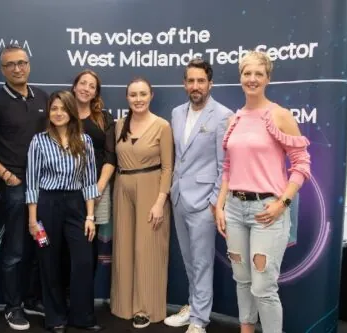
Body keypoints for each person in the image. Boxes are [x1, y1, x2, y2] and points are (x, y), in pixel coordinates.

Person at [214, 51, 312, 333]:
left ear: (268, 78)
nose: (252, 79)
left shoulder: (279, 115)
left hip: (267, 212)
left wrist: (284, 202)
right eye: (247, 73)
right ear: (240, 78)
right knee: (242, 280)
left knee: (263, 287)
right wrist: (220, 205)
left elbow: (302, 163)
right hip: (233, 210)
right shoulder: (236, 119)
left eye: (258, 74)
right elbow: (228, 167)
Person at [164, 59, 234, 333]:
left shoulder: (223, 115)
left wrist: (215, 203)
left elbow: (223, 165)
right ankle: (193, 306)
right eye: (190, 81)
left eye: (201, 81)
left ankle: (199, 321)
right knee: (189, 260)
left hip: (205, 202)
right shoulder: (177, 113)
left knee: (203, 263)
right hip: (179, 198)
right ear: (184, 84)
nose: (195, 86)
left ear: (210, 84)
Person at [26, 90, 104, 333]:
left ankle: (83, 317)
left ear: (71, 112)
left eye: (63, 109)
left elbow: (90, 181)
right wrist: (32, 220)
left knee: (82, 261)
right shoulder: (38, 141)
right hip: (47, 205)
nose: (58, 113)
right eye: (54, 109)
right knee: (49, 262)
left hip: (77, 204)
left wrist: (90, 216)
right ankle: (55, 318)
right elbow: (32, 183)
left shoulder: (85, 141)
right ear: (49, 112)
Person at [0, 44, 47, 330]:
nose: (18, 68)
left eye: (22, 62)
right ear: (3, 70)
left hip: (44, 184)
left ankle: (32, 299)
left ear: (29, 65)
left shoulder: (43, 97)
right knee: (15, 250)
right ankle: (13, 306)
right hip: (15, 185)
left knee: (39, 245)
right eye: (11, 64)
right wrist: (6, 175)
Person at [110, 77, 174, 329]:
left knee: (147, 251)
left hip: (151, 189)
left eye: (143, 94)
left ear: (151, 95)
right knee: (124, 249)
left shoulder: (162, 126)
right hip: (122, 188)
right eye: (133, 95)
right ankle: (123, 305)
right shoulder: (118, 125)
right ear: (127, 98)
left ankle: (145, 309)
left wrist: (160, 201)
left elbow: (168, 168)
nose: (138, 99)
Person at [70, 69, 116, 275]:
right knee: (67, 240)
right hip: (67, 189)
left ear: (96, 93)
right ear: (74, 86)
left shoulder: (103, 118)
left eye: (92, 86)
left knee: (91, 241)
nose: (86, 89)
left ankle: (85, 293)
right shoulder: (62, 114)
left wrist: (98, 187)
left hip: (98, 187)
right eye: (83, 83)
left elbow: (110, 156)